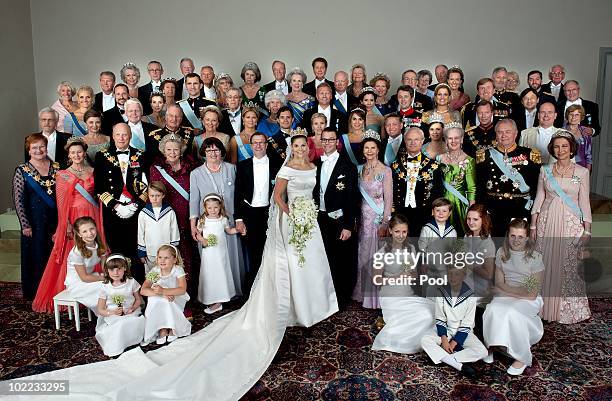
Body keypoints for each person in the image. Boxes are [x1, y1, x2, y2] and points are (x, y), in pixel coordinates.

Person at [32, 137, 106, 313]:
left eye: (79, 151)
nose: (76, 155)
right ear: (69, 154)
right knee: (75, 251)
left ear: (84, 152)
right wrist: (66, 224)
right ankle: (74, 293)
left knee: (96, 246)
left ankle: (98, 291)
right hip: (74, 217)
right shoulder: (63, 174)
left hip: (92, 214)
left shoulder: (94, 171)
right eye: (73, 152)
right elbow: (60, 202)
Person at [531, 131, 592, 324]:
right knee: (544, 263)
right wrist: (533, 225)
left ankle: (567, 310)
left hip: (571, 224)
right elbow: (539, 197)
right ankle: (542, 308)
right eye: (557, 146)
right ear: (552, 149)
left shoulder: (582, 172)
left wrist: (587, 229)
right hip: (546, 222)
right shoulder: (545, 170)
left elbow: (585, 202)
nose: (560, 150)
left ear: (571, 148)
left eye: (564, 146)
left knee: (569, 267)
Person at [483, 218, 545, 375]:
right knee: (492, 309)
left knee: (512, 312)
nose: (516, 240)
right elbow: (499, 282)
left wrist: (505, 292)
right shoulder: (501, 253)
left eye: (520, 237)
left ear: (527, 238)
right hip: (507, 294)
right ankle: (493, 344)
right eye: (512, 236)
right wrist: (504, 292)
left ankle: (521, 356)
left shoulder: (535, 257)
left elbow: (531, 293)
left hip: (528, 299)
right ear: (507, 235)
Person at [371, 214, 435, 353]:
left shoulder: (410, 249)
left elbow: (414, 275)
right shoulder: (381, 253)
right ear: (390, 231)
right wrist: (398, 276)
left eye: (404, 232)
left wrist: (412, 273)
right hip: (391, 296)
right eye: (397, 231)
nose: (401, 235)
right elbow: (376, 280)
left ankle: (431, 344)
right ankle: (410, 343)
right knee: (423, 316)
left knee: (434, 311)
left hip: (408, 294)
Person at [190, 137, 245, 297]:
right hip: (207, 223)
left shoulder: (231, 169)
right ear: (203, 153)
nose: (213, 153)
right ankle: (214, 294)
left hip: (229, 220)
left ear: (222, 152)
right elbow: (194, 200)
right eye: (209, 150)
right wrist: (193, 225)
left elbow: (239, 195)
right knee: (212, 258)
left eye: (216, 149)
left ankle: (233, 292)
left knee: (232, 256)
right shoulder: (196, 173)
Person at [95, 123, 149, 282]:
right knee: (116, 251)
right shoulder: (102, 156)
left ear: (130, 135)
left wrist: (136, 205)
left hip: (135, 211)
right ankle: (118, 290)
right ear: (112, 136)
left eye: (125, 134)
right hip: (113, 211)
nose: (121, 138)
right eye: (118, 135)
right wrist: (115, 205)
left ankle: (139, 289)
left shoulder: (141, 155)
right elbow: (99, 187)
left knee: (136, 251)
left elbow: (148, 184)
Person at [315, 128, 359, 308]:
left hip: (340, 221)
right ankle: (326, 297)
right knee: (324, 259)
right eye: (324, 140)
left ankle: (341, 299)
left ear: (337, 142)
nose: (327, 143)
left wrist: (348, 225)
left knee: (341, 260)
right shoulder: (316, 163)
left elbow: (352, 197)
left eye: (330, 140)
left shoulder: (348, 166)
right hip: (320, 218)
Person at [150, 133, 197, 296]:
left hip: (188, 214)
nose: (172, 152)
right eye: (168, 149)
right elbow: (154, 193)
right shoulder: (156, 169)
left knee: (189, 255)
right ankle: (169, 292)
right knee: (171, 254)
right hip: (168, 216)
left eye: (175, 149)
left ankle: (187, 292)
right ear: (163, 151)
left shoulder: (191, 167)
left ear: (181, 150)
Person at [476, 119, 541, 237]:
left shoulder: (530, 155)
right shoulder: (484, 155)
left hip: (520, 208)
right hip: (493, 210)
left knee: (518, 247)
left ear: (516, 133)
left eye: (507, 132)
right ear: (496, 134)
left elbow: (536, 188)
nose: (503, 135)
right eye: (500, 132)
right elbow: (480, 187)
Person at [420, 264, 487, 378]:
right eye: (450, 274)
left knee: (482, 351)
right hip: (446, 330)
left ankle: (443, 358)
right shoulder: (441, 292)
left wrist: (453, 342)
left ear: (463, 276)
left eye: (457, 274)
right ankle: (459, 366)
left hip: (464, 332)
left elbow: (467, 324)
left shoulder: (470, 296)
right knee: (424, 340)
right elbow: (440, 318)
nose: (453, 277)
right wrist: (444, 340)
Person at [14, 134, 59, 299]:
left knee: (54, 255)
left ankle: (55, 290)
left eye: (41, 146)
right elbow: (18, 200)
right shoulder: (22, 170)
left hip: (56, 219)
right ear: (29, 150)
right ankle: (38, 293)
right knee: (37, 255)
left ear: (46, 148)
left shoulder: (57, 167)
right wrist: (25, 224)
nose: (39, 150)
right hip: (34, 221)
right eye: (34, 147)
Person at [235, 133, 281, 291]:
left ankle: (272, 289)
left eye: (262, 142)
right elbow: (238, 193)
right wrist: (239, 219)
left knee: (272, 252)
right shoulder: (242, 166)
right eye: (255, 143)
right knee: (254, 254)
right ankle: (255, 291)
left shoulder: (277, 164)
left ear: (266, 145)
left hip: (271, 213)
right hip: (250, 214)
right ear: (250, 145)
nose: (258, 146)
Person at [353, 132, 392, 309]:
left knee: (377, 257)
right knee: (363, 254)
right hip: (363, 219)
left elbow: (389, 199)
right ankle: (363, 294)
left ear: (378, 150)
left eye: (373, 148)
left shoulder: (385, 170)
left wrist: (385, 222)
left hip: (377, 220)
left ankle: (376, 298)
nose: (369, 151)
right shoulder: (359, 169)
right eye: (366, 148)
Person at [391, 127, 444, 235]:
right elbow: (391, 191)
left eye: (416, 140)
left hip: (424, 214)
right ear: (405, 141)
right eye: (409, 139)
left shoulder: (433, 166)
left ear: (422, 141)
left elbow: (438, 193)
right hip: (401, 214)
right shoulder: (396, 165)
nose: (412, 143)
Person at [196, 194, 242, 314]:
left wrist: (237, 229)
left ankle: (219, 301)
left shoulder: (223, 219)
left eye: (215, 207)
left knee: (220, 273)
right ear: (205, 208)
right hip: (209, 253)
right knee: (210, 274)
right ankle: (211, 298)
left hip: (220, 253)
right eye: (209, 208)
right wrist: (203, 240)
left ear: (220, 207)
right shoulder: (203, 220)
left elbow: (229, 231)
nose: (213, 210)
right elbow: (198, 234)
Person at [95, 254, 145, 357]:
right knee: (119, 325)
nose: (116, 273)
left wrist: (133, 308)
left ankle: (129, 340)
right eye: (112, 270)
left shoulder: (131, 282)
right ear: (107, 270)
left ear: (125, 269)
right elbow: (100, 309)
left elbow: (138, 300)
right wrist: (112, 312)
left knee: (129, 322)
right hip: (113, 314)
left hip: (131, 312)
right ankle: (117, 347)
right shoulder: (105, 287)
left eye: (119, 269)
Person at [141, 245, 191, 345]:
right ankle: (162, 328)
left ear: (174, 259)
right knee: (154, 300)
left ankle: (173, 327)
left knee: (168, 301)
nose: (162, 261)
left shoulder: (177, 270)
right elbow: (143, 290)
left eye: (166, 258)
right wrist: (161, 294)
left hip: (176, 296)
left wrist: (164, 291)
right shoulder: (155, 271)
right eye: (160, 257)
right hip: (161, 296)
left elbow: (182, 290)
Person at [437, 125, 476, 235]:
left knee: (460, 235)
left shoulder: (469, 160)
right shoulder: (439, 158)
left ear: (462, 139)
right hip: (442, 204)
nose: (453, 141)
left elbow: (471, 188)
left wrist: (471, 210)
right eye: (450, 138)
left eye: (456, 138)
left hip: (460, 204)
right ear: (445, 140)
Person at [64, 216, 107, 312]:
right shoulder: (77, 252)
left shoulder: (99, 244)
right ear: (79, 234)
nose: (90, 233)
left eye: (92, 229)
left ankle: (119, 311)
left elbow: (105, 266)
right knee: (105, 286)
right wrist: (104, 278)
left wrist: (109, 275)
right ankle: (106, 313)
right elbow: (84, 278)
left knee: (115, 283)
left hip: (91, 277)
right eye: (85, 231)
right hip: (78, 283)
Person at [137, 181, 180, 273]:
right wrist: (141, 253)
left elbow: (174, 232)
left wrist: (173, 251)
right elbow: (140, 233)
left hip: (166, 252)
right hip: (150, 252)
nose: (155, 198)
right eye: (152, 196)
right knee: (151, 276)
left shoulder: (169, 212)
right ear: (148, 195)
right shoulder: (143, 213)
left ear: (163, 195)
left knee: (167, 275)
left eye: (158, 195)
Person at [464, 204, 496, 306]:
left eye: (475, 219)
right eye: (469, 219)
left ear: (483, 220)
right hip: (464, 278)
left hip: (478, 287)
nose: (471, 222)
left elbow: (488, 274)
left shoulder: (487, 243)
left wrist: (467, 264)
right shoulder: (468, 235)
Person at [564, 105, 593, 170]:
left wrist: (587, 172)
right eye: (571, 114)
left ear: (581, 117)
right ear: (567, 116)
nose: (573, 117)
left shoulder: (585, 131)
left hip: (581, 168)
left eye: (577, 115)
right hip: (564, 168)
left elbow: (589, 155)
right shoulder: (560, 131)